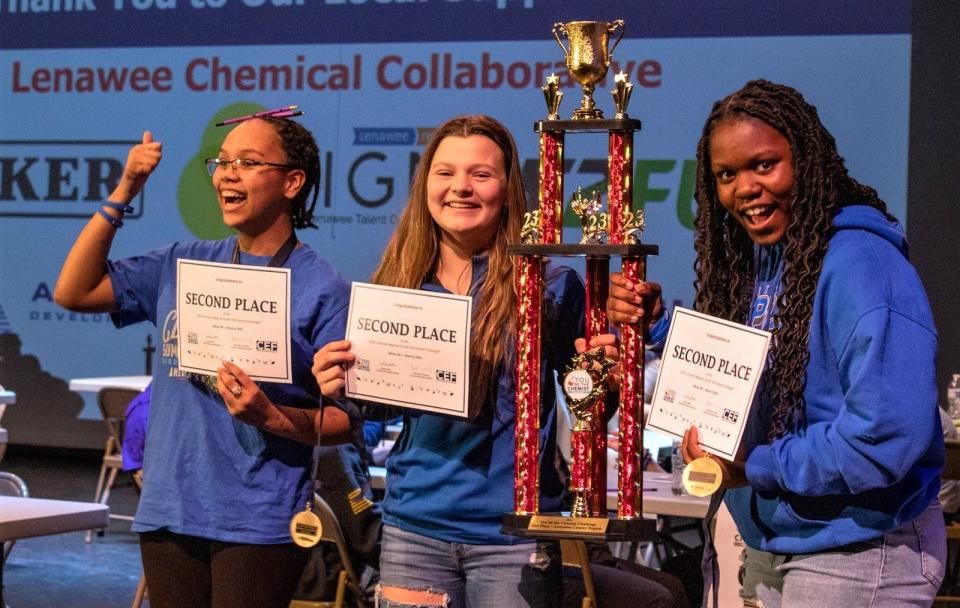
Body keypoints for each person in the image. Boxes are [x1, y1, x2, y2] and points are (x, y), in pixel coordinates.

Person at [608, 79, 945, 607]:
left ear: (807, 163)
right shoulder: (762, 263)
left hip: (858, 549)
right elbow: (759, 375)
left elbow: (884, 435)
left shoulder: (863, 265)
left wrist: (757, 464)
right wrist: (660, 329)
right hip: (777, 540)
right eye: (727, 174)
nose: (745, 187)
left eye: (764, 165)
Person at [54, 115, 353, 608]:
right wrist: (127, 187)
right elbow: (74, 291)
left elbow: (346, 423)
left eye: (249, 163)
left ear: (293, 182)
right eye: (222, 162)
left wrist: (272, 417)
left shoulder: (323, 289)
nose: (227, 174)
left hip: (258, 519)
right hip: (170, 508)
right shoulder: (182, 263)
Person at [313, 114, 588, 608]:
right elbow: (377, 410)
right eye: (445, 173)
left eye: (480, 174)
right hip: (413, 531)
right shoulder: (398, 285)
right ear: (425, 187)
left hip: (514, 537)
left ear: (508, 189)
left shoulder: (550, 287)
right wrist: (341, 384)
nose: (460, 187)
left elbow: (591, 401)